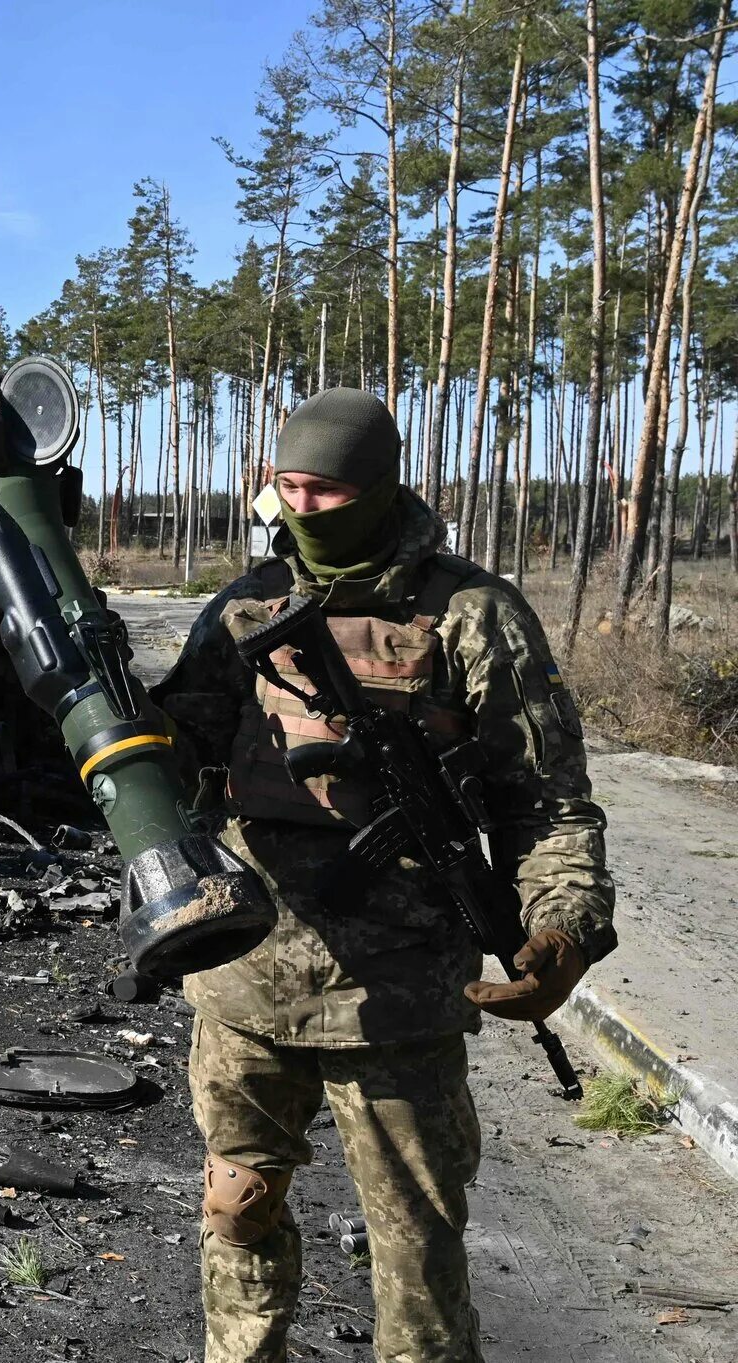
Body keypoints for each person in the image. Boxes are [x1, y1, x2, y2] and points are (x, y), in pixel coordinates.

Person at [150, 387, 616, 1363]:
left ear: (376, 488)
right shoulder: (244, 605)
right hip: (246, 979)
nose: (302, 508)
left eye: (326, 491)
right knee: (235, 1209)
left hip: (397, 992)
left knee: (416, 1263)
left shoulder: (470, 615)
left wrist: (561, 926)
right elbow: (173, 756)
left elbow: (544, 800)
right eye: (287, 487)